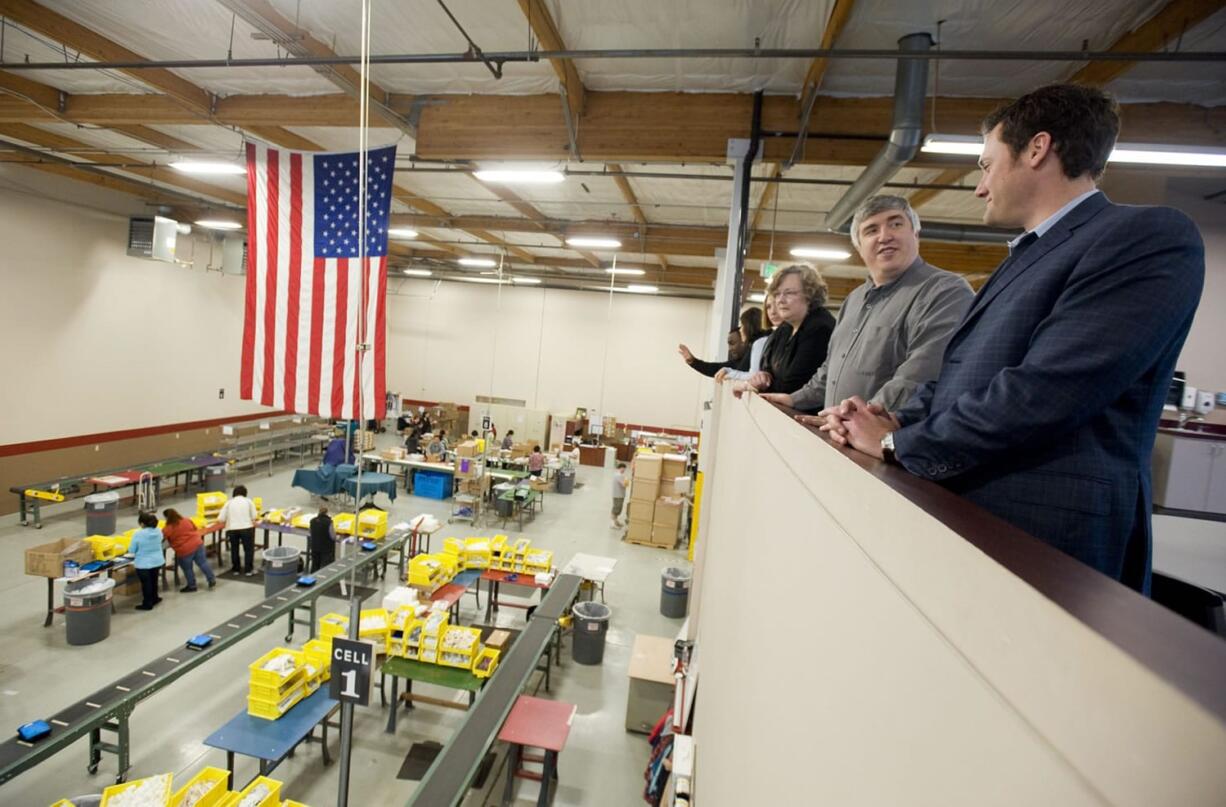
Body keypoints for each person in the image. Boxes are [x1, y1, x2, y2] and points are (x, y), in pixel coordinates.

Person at [822, 83, 1204, 593]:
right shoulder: (1018, 262)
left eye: (985, 164)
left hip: (1048, 538)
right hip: (966, 515)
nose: (980, 186)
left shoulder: (1145, 238)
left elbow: (1047, 390)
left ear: (1037, 149)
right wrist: (888, 417)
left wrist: (897, 442)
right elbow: (959, 375)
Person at [759, 195, 973, 414]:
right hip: (839, 437)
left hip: (890, 443)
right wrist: (794, 400)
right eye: (871, 230)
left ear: (915, 234)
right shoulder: (853, 300)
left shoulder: (945, 292)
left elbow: (919, 378)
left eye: (896, 224)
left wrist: (856, 418)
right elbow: (829, 373)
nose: (885, 236)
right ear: (859, 248)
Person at [735, 264, 835, 395]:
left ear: (810, 295)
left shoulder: (820, 328)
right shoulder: (784, 328)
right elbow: (766, 369)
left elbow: (792, 385)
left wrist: (757, 385)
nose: (780, 300)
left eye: (789, 293)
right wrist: (761, 378)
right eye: (777, 294)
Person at [678, 307, 768, 377]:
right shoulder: (740, 360)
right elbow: (715, 368)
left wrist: (729, 372)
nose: (729, 349)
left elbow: (751, 376)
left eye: (732, 343)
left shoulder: (759, 344)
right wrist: (694, 361)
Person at [718, 294, 779, 383]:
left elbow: (753, 376)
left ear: (748, 326)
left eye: (742, 325)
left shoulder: (759, 343)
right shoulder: (766, 339)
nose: (740, 330)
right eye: (768, 307)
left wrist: (730, 374)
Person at [162, 508, 215, 592]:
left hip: (184, 550)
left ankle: (192, 586)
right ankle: (211, 579)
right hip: (198, 544)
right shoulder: (186, 520)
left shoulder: (167, 528)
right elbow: (195, 528)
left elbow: (163, 539)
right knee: (203, 563)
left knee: (188, 569)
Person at [218, 484, 259, 576]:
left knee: (234, 549)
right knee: (248, 549)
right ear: (245, 494)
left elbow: (221, 518)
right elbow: (254, 516)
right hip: (246, 528)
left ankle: (236, 569)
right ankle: (248, 569)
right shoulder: (248, 501)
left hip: (232, 529)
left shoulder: (229, 503)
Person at [129, 511, 165, 610]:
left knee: (146, 584)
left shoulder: (138, 534)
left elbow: (132, 550)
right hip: (157, 561)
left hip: (143, 563)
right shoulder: (158, 530)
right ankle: (155, 598)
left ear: (142, 523)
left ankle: (147, 604)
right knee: (154, 580)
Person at [309, 506, 337, 572]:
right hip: (326, 549)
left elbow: (310, 532)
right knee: (326, 568)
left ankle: (312, 579)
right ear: (327, 513)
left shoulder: (312, 521)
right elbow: (333, 536)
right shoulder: (329, 522)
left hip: (315, 547)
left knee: (315, 566)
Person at [611, 462, 629, 527]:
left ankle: (616, 522)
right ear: (620, 468)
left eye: (624, 469)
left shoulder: (619, 475)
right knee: (616, 509)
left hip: (619, 494)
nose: (624, 470)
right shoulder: (619, 475)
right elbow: (624, 485)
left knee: (618, 509)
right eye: (623, 468)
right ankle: (612, 524)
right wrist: (627, 480)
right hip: (618, 495)